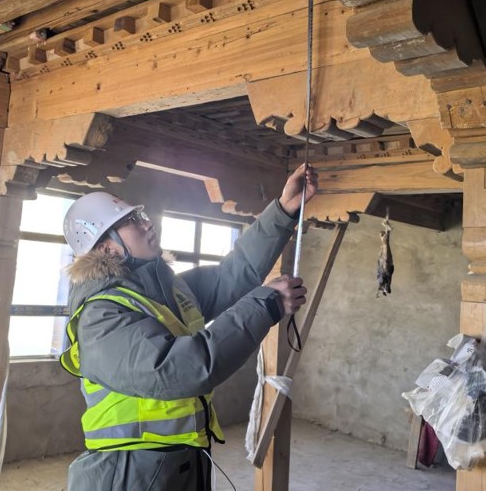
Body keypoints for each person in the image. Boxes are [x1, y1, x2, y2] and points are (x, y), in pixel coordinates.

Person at [60, 164, 317, 490]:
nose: (147, 223)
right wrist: (265, 306)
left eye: (140, 215)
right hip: (129, 471)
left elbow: (231, 275)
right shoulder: (101, 316)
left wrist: (282, 211)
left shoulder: (167, 291)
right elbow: (178, 370)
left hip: (180, 461)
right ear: (106, 248)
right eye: (131, 221)